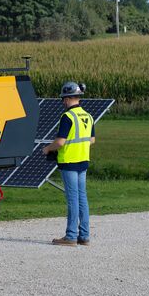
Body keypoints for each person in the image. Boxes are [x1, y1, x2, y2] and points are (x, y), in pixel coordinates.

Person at [42, 81, 95, 246]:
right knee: (82, 198)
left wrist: (47, 149)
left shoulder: (67, 117)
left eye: (63, 98)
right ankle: (84, 236)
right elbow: (92, 140)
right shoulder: (88, 116)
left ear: (67, 98)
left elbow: (60, 142)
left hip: (69, 162)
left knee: (72, 199)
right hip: (83, 161)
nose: (63, 102)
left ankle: (71, 236)